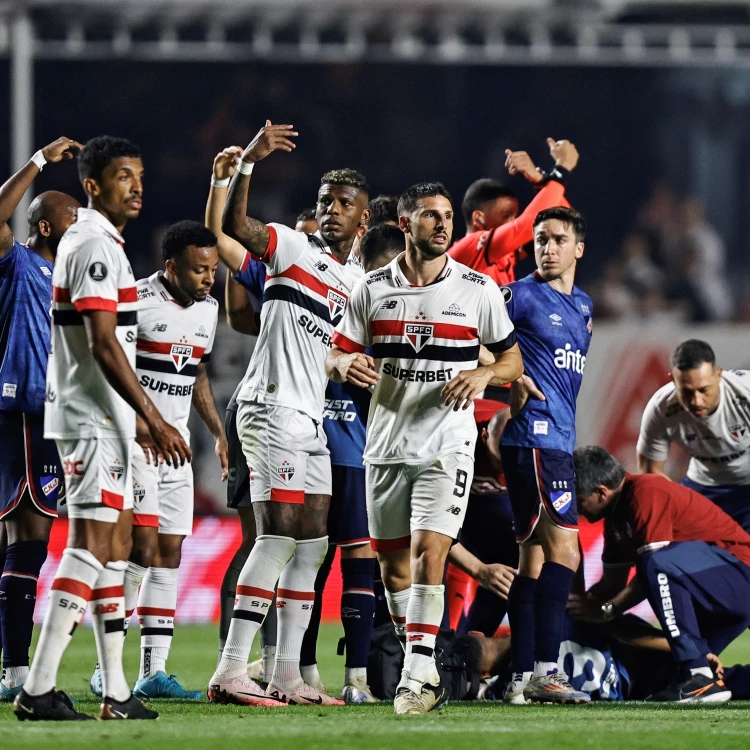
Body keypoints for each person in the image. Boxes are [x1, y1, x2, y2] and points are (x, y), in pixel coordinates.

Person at [326, 181, 523, 714]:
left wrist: (484, 375)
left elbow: (512, 361)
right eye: (430, 216)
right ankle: (423, 660)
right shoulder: (370, 290)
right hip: (386, 446)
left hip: (447, 445)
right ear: (405, 224)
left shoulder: (476, 290)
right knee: (393, 569)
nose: (442, 224)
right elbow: (335, 355)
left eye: (446, 216)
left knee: (428, 550)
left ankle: (417, 676)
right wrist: (346, 364)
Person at [14, 136, 190, 722]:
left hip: (103, 418)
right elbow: (101, 342)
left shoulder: (104, 243)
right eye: (122, 176)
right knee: (91, 546)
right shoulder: (91, 244)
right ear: (93, 185)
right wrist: (151, 415)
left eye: (139, 175)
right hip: (89, 418)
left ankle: (115, 692)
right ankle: (37, 687)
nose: (137, 186)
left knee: (114, 551)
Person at [209, 121, 370, 707]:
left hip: (310, 421)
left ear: (364, 220)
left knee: (312, 547)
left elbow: (338, 346)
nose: (330, 211)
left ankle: (286, 675)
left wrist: (342, 364)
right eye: (326, 201)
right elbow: (232, 228)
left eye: (344, 204)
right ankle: (229, 671)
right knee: (276, 538)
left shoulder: (356, 285)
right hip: (269, 407)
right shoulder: (292, 246)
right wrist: (247, 164)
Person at [88, 221, 226, 700]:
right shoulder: (138, 302)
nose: (208, 279)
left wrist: (217, 431)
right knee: (140, 548)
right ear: (171, 267)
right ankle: (107, 669)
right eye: (198, 270)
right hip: (138, 445)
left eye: (211, 269)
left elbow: (198, 373)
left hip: (178, 448)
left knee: (169, 553)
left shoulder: (208, 309)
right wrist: (145, 426)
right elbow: (108, 368)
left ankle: (153, 671)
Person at [498, 206, 593, 705]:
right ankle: (546, 670)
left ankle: (519, 678)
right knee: (566, 552)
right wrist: (508, 379)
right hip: (536, 439)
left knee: (532, 559)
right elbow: (473, 335)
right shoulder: (520, 294)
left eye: (558, 239)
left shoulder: (583, 305)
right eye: (540, 239)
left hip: (552, 440)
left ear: (579, 247)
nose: (547, 248)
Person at [0, 137, 81, 702]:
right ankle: (16, 673)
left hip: (55, 417)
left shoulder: (77, 279)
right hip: (21, 412)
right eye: (71, 217)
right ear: (46, 228)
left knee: (35, 540)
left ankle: (16, 670)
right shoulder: (19, 261)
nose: (80, 223)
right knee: (27, 535)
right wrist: (37, 164)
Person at [573, 445, 750, 703]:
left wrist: (606, 610)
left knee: (654, 562)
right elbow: (611, 586)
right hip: (711, 594)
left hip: (738, 577)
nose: (576, 509)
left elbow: (652, 572)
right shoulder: (616, 521)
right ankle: (703, 676)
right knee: (664, 677)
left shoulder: (646, 492)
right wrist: (575, 609)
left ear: (601, 492)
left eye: (578, 499)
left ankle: (698, 674)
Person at [637, 339, 750, 532]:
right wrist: (676, 507)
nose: (696, 401)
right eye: (687, 392)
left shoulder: (745, 391)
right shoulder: (660, 408)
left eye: (704, 390)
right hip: (702, 488)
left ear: (719, 375)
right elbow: (650, 474)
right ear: (673, 380)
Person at [447, 138, 578, 286]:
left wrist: (540, 180)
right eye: (506, 216)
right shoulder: (470, 247)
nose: (513, 221)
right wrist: (562, 169)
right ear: (479, 219)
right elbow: (526, 223)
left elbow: (565, 223)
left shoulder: (505, 254)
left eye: (514, 216)